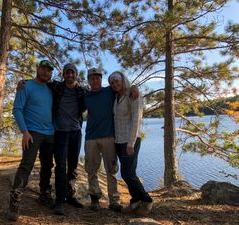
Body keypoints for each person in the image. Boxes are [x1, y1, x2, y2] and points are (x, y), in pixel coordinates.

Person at [17, 63, 86, 216]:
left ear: (76, 75)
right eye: (67, 73)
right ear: (63, 75)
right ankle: (60, 201)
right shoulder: (56, 87)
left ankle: (70, 195)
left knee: (73, 166)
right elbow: (39, 80)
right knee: (60, 166)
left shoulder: (81, 91)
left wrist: (131, 89)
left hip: (75, 133)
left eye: (72, 73)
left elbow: (96, 96)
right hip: (60, 132)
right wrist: (23, 82)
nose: (69, 75)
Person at [7, 60, 55, 221]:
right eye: (43, 69)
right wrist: (25, 132)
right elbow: (17, 109)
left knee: (48, 165)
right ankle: (14, 202)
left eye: (49, 71)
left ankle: (44, 194)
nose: (46, 73)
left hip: (50, 133)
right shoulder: (26, 86)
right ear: (37, 69)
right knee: (26, 165)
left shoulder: (51, 88)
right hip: (32, 133)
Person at [108, 71, 153, 215]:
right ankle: (135, 201)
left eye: (116, 81)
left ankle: (147, 200)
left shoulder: (133, 95)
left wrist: (130, 144)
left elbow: (136, 120)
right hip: (118, 141)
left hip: (130, 141)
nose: (115, 84)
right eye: (112, 82)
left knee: (128, 174)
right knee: (128, 173)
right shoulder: (116, 97)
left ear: (123, 80)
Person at [84, 68, 122, 212]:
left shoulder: (109, 91)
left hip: (108, 137)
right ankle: (94, 199)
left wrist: (135, 88)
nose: (94, 81)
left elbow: (124, 87)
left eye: (97, 78)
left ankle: (114, 200)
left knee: (111, 169)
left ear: (101, 79)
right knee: (91, 169)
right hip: (91, 138)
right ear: (88, 81)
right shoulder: (86, 96)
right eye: (91, 78)